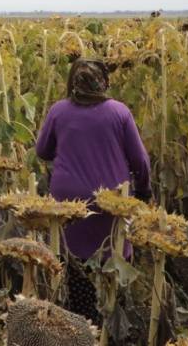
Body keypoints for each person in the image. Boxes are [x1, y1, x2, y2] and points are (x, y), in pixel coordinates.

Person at [35, 58, 151, 324]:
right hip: (110, 204)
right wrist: (144, 192)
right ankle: (109, 326)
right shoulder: (119, 112)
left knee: (73, 270)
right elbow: (140, 161)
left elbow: (42, 151)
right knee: (115, 264)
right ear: (104, 83)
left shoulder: (58, 111)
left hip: (68, 205)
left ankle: (79, 326)